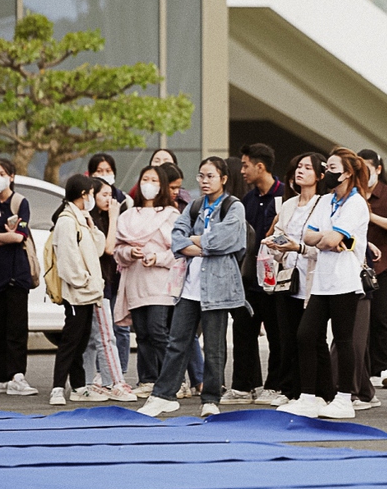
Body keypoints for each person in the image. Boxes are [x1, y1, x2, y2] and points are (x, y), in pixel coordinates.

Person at [137, 157, 248, 418]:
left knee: (214, 346)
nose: (204, 181)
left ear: (223, 178)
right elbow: (176, 236)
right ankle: (163, 394)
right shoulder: (195, 205)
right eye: (201, 176)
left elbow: (227, 239)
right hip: (188, 286)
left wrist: (197, 242)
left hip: (218, 286)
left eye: (210, 176)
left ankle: (211, 397)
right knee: (177, 341)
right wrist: (202, 244)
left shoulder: (234, 207)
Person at [278, 147, 370, 420]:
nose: (328, 173)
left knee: (343, 340)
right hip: (321, 281)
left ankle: (344, 398)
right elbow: (308, 235)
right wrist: (328, 238)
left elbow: (329, 240)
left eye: (332, 168)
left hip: (345, 280)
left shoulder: (356, 204)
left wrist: (329, 237)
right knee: (306, 334)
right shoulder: (325, 201)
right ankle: (309, 397)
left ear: (347, 172)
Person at [263, 152, 327, 406]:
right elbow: (279, 236)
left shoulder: (324, 204)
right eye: (298, 166)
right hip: (287, 278)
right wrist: (275, 245)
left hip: (314, 279)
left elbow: (322, 245)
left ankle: (319, 392)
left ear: (320, 176)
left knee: (311, 337)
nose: (300, 171)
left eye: (307, 168)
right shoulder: (288, 204)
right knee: (287, 337)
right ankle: (291, 391)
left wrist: (298, 247)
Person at [226, 143, 285, 405]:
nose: (242, 170)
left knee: (277, 335)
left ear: (260, 167)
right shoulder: (246, 201)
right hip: (249, 279)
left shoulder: (285, 197)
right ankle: (243, 386)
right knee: (242, 332)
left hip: (275, 280)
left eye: (246, 165)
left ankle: (275, 385)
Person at [114, 165, 180, 399]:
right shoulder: (128, 215)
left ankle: (170, 380)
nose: (148, 184)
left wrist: (158, 258)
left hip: (160, 284)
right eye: (145, 179)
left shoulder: (171, 215)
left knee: (158, 331)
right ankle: (148, 379)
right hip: (135, 281)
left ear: (162, 185)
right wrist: (130, 253)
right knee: (141, 333)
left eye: (154, 180)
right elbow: (118, 249)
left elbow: (178, 252)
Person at [0, 159, 39, 397]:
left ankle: (17, 375)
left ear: (11, 176)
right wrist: (3, 235)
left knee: (16, 327)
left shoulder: (20, 202)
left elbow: (19, 237)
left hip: (17, 273)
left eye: (1, 173)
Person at [73, 177, 137, 401]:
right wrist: (113, 217)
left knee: (96, 336)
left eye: (110, 195)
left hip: (103, 283)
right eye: (103, 195)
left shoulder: (98, 218)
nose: (108, 199)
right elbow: (108, 248)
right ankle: (113, 383)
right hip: (93, 285)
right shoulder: (89, 220)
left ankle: (93, 383)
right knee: (103, 336)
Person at [46, 175, 108, 405]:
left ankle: (78, 386)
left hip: (87, 292)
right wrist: (84, 281)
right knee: (71, 341)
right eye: (91, 193)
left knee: (80, 341)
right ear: (84, 194)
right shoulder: (66, 221)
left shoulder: (80, 219)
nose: (92, 197)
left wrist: (92, 226)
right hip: (77, 293)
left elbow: (98, 248)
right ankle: (57, 387)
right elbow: (68, 260)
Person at [360, 149, 387, 391]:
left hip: (384, 263)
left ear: (378, 169)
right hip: (356, 264)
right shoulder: (352, 193)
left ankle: (385, 367)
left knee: (380, 314)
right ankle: (363, 367)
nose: (365, 173)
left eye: (369, 168)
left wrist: (370, 216)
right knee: (360, 317)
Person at [157, 161, 202, 392]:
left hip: (179, 273)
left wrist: (192, 243)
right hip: (157, 279)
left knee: (185, 332)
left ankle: (198, 379)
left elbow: (188, 239)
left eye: (178, 187)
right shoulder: (143, 206)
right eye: (172, 187)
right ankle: (173, 383)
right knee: (168, 333)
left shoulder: (186, 205)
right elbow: (178, 240)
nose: (176, 192)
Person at [87, 153, 133, 376]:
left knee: (119, 327)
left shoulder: (123, 202)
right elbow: (107, 247)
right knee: (99, 334)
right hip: (97, 278)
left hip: (118, 274)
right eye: (99, 171)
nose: (104, 175)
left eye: (108, 170)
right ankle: (101, 378)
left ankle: (118, 373)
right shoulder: (89, 215)